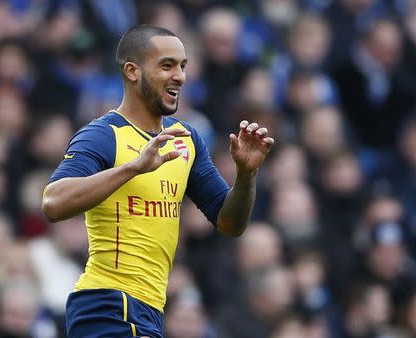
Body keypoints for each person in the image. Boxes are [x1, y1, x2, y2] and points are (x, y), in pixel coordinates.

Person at [42, 24, 274, 338]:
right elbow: (53, 203)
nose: (179, 75)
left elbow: (230, 223)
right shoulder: (104, 134)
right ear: (132, 71)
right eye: (166, 65)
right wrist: (133, 168)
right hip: (109, 304)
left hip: (148, 309)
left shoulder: (186, 139)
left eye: (182, 66)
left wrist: (246, 175)